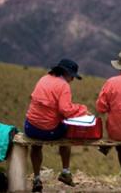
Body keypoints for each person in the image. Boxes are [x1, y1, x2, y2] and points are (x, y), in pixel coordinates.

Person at [24, 59, 88, 192]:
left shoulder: (43, 79)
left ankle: (36, 178)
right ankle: (65, 171)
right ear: (66, 73)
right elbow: (65, 110)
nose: (72, 79)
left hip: (30, 128)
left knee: (36, 145)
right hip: (48, 130)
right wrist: (82, 109)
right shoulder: (63, 86)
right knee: (67, 130)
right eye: (72, 76)